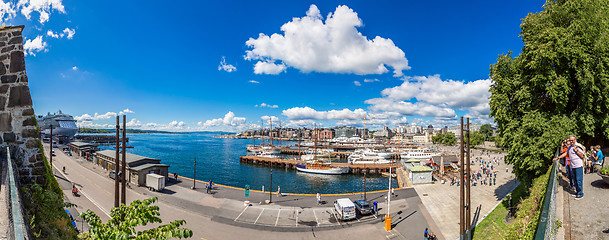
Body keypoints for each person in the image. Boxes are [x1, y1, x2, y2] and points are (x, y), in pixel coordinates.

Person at [554, 135, 585, 200]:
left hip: (578, 166)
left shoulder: (578, 146)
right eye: (570, 140)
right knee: (575, 179)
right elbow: (566, 153)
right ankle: (577, 192)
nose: (571, 141)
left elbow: (582, 155)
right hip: (572, 165)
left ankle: (580, 194)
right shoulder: (570, 146)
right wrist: (558, 158)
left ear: (575, 140)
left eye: (572, 140)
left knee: (579, 180)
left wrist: (576, 150)